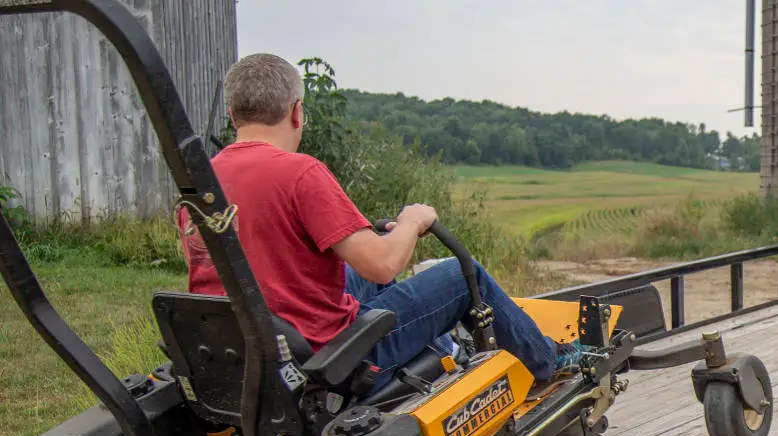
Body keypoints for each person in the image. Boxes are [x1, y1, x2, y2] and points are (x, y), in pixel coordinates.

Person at [177, 53, 583, 388]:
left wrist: (375, 240)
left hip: (249, 348)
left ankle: (445, 348)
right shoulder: (299, 173)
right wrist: (412, 222)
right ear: (297, 112)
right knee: (460, 274)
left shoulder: (199, 188)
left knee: (367, 275)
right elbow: (385, 263)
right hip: (325, 358)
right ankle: (545, 361)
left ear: (233, 115)